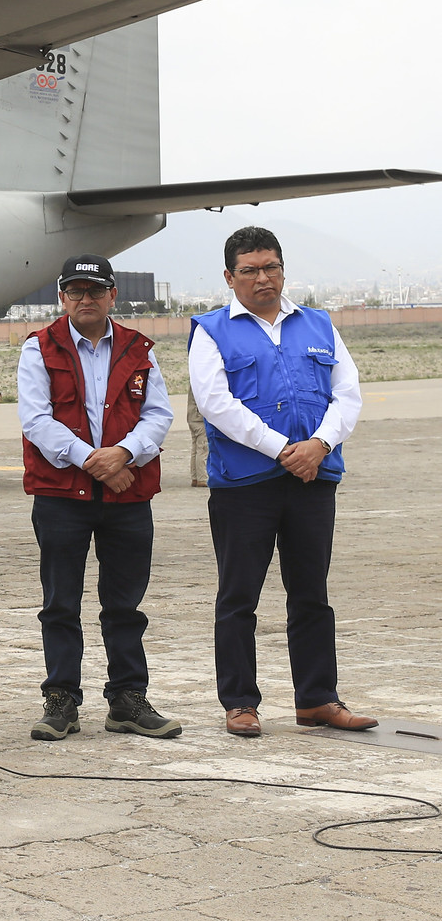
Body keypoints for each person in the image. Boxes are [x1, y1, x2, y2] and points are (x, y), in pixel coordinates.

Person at [189, 226, 373, 739]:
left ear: (283, 269)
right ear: (230, 276)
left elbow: (348, 393)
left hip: (314, 477)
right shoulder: (211, 330)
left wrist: (320, 445)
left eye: (271, 267)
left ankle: (317, 700)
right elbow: (216, 404)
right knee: (239, 596)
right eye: (249, 270)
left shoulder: (317, 323)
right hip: (245, 484)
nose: (262, 278)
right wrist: (283, 450)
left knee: (312, 593)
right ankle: (241, 703)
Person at [17, 255, 181, 742]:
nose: (85, 299)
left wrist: (125, 454)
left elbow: (158, 414)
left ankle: (128, 700)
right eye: (75, 291)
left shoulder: (139, 349)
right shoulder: (38, 348)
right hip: (62, 495)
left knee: (125, 604)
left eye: (95, 290)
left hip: (128, 498)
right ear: (62, 297)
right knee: (60, 603)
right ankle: (61, 700)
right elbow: (36, 420)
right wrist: (97, 462)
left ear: (112, 296)